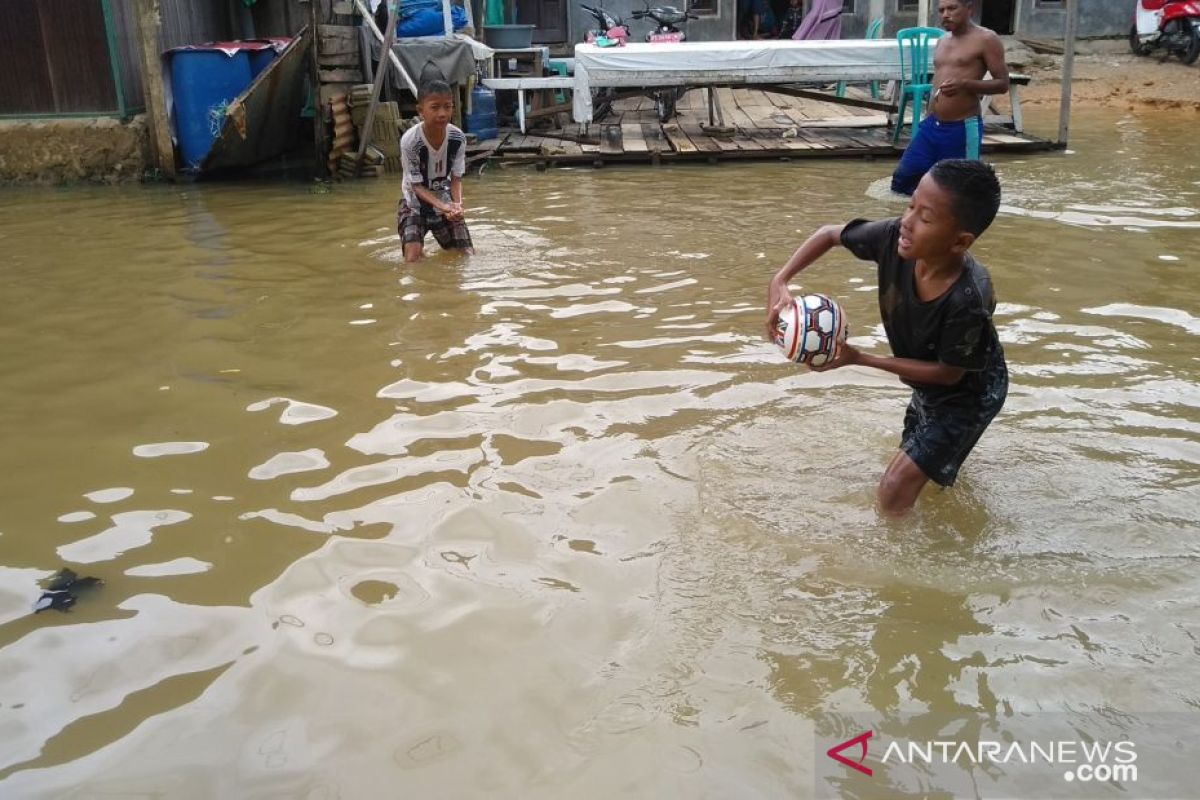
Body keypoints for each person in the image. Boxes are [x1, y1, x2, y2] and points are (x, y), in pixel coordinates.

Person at [765, 160, 1007, 516]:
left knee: (894, 486)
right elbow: (830, 234)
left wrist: (859, 358)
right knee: (918, 457)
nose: (907, 221)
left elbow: (948, 374)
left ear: (960, 241)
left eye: (925, 217)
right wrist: (780, 280)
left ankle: (899, 563)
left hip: (970, 396)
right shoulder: (896, 238)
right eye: (910, 205)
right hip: (928, 384)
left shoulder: (968, 299)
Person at [890, 0, 1009, 195]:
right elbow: (937, 81)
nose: (945, 14)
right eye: (941, 10)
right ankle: (913, 222)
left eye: (952, 8)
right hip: (931, 126)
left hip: (961, 128)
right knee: (902, 181)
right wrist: (927, 119)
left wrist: (965, 84)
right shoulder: (942, 40)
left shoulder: (986, 39)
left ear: (969, 8)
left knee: (961, 190)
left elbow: (1002, 84)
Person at [397, 79, 473, 262]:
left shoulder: (458, 138)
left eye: (448, 107)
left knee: (467, 256)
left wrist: (457, 205)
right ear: (420, 111)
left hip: (445, 201)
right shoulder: (411, 142)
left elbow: (456, 178)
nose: (442, 114)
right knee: (413, 259)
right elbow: (416, 187)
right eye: (435, 107)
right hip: (414, 205)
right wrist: (444, 206)